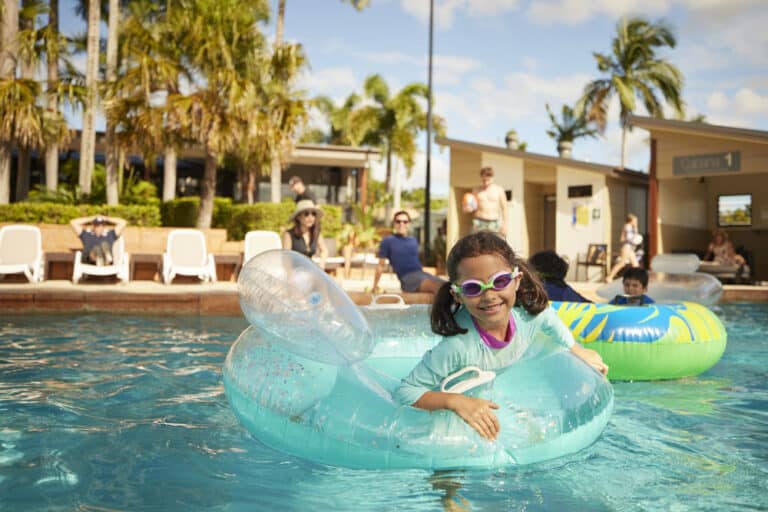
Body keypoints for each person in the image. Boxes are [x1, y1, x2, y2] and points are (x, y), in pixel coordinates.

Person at [393, 231, 608, 441]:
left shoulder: (529, 317)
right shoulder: (458, 346)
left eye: (500, 281)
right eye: (473, 288)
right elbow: (405, 392)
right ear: (457, 295)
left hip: (486, 395)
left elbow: (551, 320)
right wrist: (455, 402)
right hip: (443, 413)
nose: (489, 296)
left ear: (517, 281)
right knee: (449, 472)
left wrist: (576, 349)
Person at [372, 211, 446, 294]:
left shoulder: (413, 240)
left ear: (409, 224)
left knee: (449, 286)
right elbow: (381, 266)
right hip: (407, 278)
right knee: (435, 286)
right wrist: (374, 286)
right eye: (398, 221)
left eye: (405, 222)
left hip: (421, 274)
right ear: (394, 223)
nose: (401, 224)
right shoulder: (388, 241)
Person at [282, 200, 328, 269]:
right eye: (306, 214)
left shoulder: (315, 233)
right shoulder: (289, 235)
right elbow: (286, 258)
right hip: (295, 272)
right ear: (298, 217)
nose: (311, 217)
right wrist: (289, 277)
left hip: (310, 271)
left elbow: (324, 251)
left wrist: (321, 265)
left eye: (313, 214)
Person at [470, 167, 508, 236]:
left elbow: (504, 208)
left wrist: (504, 224)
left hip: (493, 222)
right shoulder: (476, 190)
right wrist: (468, 208)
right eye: (484, 180)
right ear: (481, 178)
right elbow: (472, 207)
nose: (486, 183)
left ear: (492, 178)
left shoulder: (499, 190)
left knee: (496, 245)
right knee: (474, 244)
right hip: (479, 222)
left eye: (488, 180)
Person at [605, 213, 641, 282]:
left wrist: (636, 228)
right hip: (626, 247)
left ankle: (637, 279)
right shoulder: (628, 226)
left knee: (635, 265)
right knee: (622, 263)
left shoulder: (632, 227)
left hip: (630, 248)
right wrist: (636, 238)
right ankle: (609, 277)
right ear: (631, 221)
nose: (636, 222)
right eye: (635, 221)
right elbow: (629, 238)